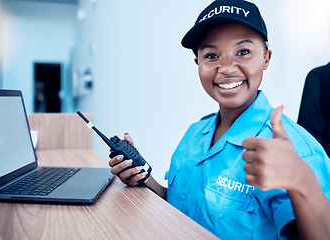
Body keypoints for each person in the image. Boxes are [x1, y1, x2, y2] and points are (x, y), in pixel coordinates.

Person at [108, 0, 330, 239]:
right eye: (212, 55)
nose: (225, 68)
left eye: (243, 52)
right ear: (198, 64)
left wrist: (303, 180)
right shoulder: (195, 134)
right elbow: (181, 208)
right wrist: (143, 179)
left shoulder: (296, 150)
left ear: (266, 58)